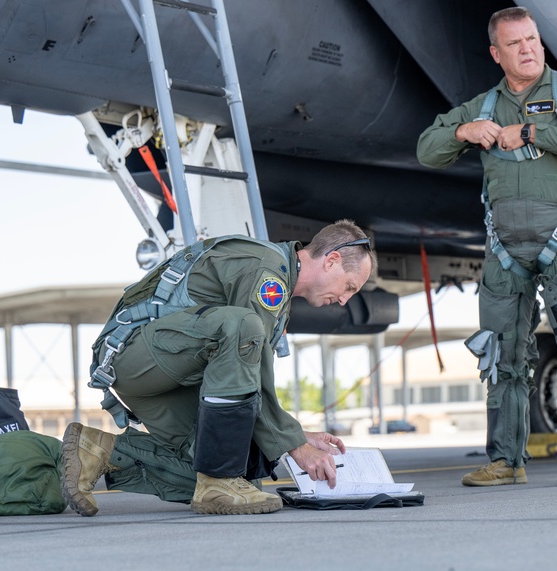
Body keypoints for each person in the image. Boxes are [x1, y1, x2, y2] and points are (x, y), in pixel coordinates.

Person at [416, 7, 557, 487]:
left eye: (532, 39)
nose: (528, 49)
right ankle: (505, 461)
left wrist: (531, 132)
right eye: (515, 44)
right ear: (497, 54)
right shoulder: (483, 106)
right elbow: (427, 149)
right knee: (502, 349)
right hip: (504, 242)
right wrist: (462, 132)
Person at [60, 220, 377, 516]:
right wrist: (298, 447)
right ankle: (217, 480)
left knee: (233, 479)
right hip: (136, 357)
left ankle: (101, 450)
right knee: (241, 325)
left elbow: (247, 378)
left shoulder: (280, 287)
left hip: (171, 376)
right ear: (332, 260)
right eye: (349, 287)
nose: (345, 301)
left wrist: (299, 435)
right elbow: (244, 348)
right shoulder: (268, 272)